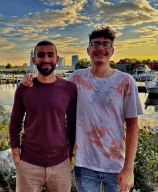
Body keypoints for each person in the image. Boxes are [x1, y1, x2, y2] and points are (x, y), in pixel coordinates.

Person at [22, 27, 143, 192]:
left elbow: (133, 126)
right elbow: (51, 90)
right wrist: (30, 79)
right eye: (96, 44)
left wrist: (129, 169)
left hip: (116, 166)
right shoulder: (76, 78)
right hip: (84, 165)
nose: (100, 48)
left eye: (106, 44)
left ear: (112, 50)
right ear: (88, 50)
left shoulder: (126, 81)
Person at [9, 40, 77, 192]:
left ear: (57, 59)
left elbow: (72, 124)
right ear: (34, 60)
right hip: (28, 164)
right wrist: (16, 156)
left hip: (60, 164)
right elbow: (15, 124)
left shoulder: (69, 88)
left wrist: (70, 156)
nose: (46, 59)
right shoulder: (24, 88)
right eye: (41, 55)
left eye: (50, 55)